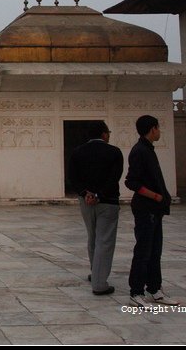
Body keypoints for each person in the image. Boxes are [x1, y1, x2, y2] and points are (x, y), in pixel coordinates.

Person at [125, 115, 179, 308]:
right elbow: (131, 181)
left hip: (154, 210)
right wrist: (155, 196)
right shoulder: (139, 151)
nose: (160, 131)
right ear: (152, 129)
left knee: (155, 251)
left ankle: (154, 289)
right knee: (143, 251)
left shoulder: (148, 149)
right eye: (158, 128)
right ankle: (136, 292)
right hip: (146, 209)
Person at [67, 121, 123, 295]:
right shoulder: (114, 152)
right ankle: (99, 283)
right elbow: (114, 177)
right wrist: (98, 194)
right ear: (104, 134)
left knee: (93, 237)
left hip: (86, 202)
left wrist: (86, 194)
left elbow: (72, 178)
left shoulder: (77, 152)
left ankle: (95, 272)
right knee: (104, 241)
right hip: (107, 201)